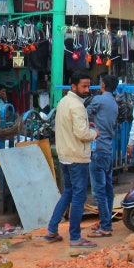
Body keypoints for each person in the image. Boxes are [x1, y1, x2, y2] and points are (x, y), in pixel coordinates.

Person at [43, 72, 98, 248]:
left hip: (65, 155)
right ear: (73, 86)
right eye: (84, 86)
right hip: (77, 157)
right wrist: (94, 133)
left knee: (68, 193)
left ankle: (52, 230)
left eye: (88, 86)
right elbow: (82, 134)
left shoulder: (64, 102)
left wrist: (85, 126)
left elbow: (69, 126)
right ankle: (75, 237)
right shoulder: (77, 106)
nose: (87, 89)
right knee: (78, 196)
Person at [86, 73, 119, 238]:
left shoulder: (99, 99)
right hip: (107, 149)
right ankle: (105, 221)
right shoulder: (113, 102)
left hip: (98, 148)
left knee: (99, 190)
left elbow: (83, 114)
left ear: (103, 85)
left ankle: (105, 226)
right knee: (107, 188)